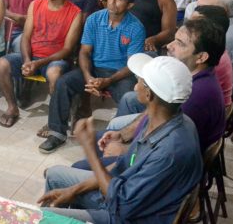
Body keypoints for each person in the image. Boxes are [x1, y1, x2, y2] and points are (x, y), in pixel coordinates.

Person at [39, 54, 201, 224]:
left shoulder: (169, 151)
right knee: (55, 175)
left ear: (149, 94)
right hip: (125, 195)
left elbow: (121, 206)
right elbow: (122, 165)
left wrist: (90, 150)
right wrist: (74, 189)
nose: (135, 86)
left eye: (139, 81)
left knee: (43, 217)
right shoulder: (164, 120)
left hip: (128, 217)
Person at [37, 0, 145, 153]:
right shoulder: (94, 19)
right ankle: (56, 133)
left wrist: (108, 80)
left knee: (129, 98)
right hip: (93, 69)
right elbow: (84, 52)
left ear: (129, 5)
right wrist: (88, 77)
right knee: (63, 83)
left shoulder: (136, 27)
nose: (112, 1)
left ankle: (116, 140)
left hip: (119, 74)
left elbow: (132, 64)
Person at [103, 15, 226, 154]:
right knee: (127, 103)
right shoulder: (192, 77)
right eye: (174, 39)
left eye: (180, 43)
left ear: (201, 57)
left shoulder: (195, 95)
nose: (169, 45)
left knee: (108, 135)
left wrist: (123, 150)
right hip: (156, 142)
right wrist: (123, 134)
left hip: (160, 157)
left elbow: (160, 147)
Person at [0, 0, 82, 127]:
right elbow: (26, 37)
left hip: (55, 59)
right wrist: (27, 60)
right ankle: (12, 108)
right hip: (33, 56)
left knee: (54, 74)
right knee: (1, 64)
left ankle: (54, 120)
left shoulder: (75, 13)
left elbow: (68, 49)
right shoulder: (35, 5)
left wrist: (38, 63)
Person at [185, 0, 233, 94]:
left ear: (222, 11)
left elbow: (198, 75)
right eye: (198, 7)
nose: (197, 11)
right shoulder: (220, 30)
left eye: (204, 8)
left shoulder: (223, 37)